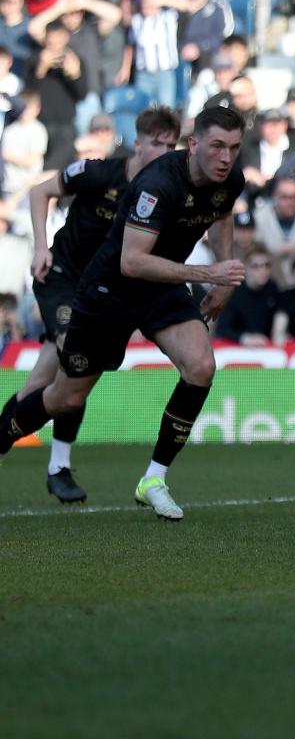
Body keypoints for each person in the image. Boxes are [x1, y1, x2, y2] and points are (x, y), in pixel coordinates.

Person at [0, 105, 248, 520]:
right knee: (64, 396)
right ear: (195, 145)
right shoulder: (157, 183)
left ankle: (153, 479)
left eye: (234, 148)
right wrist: (209, 272)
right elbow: (132, 262)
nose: (226, 157)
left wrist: (222, 283)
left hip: (161, 288)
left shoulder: (230, 180)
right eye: (217, 146)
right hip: (108, 291)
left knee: (201, 366)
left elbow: (221, 215)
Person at [2, 106, 179, 502]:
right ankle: (59, 466)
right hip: (62, 279)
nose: (165, 151)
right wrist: (41, 249)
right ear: (137, 143)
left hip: (100, 291)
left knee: (41, 385)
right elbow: (39, 191)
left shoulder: (164, 190)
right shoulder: (99, 173)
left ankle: (36, 456)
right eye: (157, 143)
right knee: (75, 359)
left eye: (171, 145)